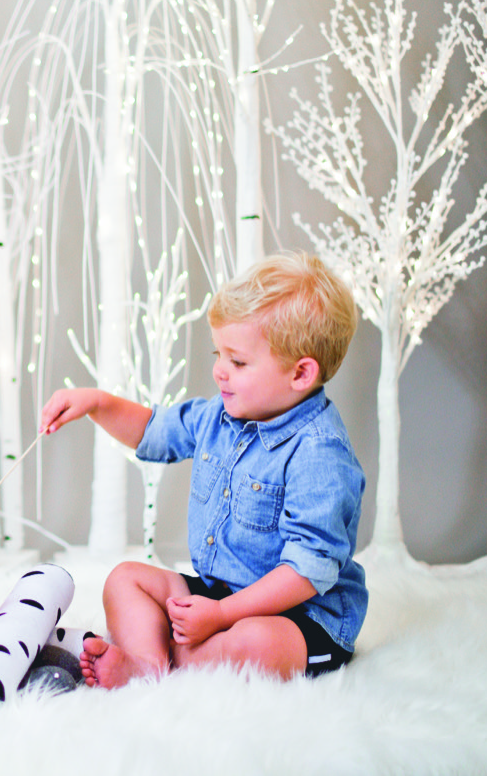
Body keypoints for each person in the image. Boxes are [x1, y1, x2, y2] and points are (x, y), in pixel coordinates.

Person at [38, 252, 367, 688]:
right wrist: (97, 403)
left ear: (301, 373)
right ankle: (148, 664)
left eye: (238, 362)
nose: (219, 372)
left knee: (255, 643)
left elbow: (307, 572)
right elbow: (154, 430)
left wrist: (222, 615)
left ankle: (174, 656)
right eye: (219, 354)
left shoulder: (319, 452)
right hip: (220, 593)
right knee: (125, 579)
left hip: (301, 615)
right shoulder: (220, 416)